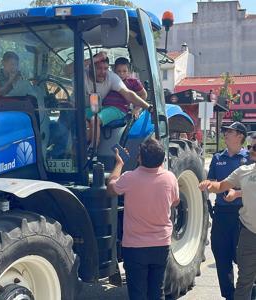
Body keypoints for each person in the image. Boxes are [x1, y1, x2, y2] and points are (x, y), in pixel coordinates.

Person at [107, 138, 179, 300]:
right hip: (161, 244)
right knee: (156, 290)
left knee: (137, 293)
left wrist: (119, 163)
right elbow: (175, 201)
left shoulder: (129, 178)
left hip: (135, 247)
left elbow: (111, 188)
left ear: (139, 158)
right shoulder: (170, 178)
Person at [199, 132, 256, 300]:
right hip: (249, 232)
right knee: (244, 280)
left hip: (239, 220)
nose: (251, 151)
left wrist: (237, 194)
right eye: (251, 147)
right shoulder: (244, 171)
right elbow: (221, 185)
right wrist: (209, 184)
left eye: (255, 148)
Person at [84, 52, 151, 149]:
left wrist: (138, 108)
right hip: (103, 107)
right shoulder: (92, 75)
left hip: (117, 109)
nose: (121, 74)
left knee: (95, 119)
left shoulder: (130, 82)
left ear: (129, 71)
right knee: (79, 115)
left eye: (124, 71)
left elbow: (135, 94)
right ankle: (83, 143)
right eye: (119, 71)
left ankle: (93, 147)